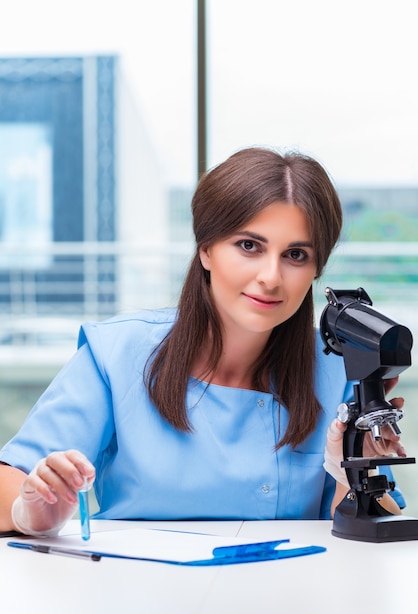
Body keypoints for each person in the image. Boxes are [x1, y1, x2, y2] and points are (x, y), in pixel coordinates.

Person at [0, 146, 406, 536]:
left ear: (316, 269)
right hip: (137, 596)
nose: (271, 276)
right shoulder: (117, 355)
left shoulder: (337, 370)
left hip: (287, 599)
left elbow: (374, 535)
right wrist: (31, 511)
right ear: (206, 249)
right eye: (249, 246)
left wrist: (351, 475)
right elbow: (11, 478)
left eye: (296, 255)